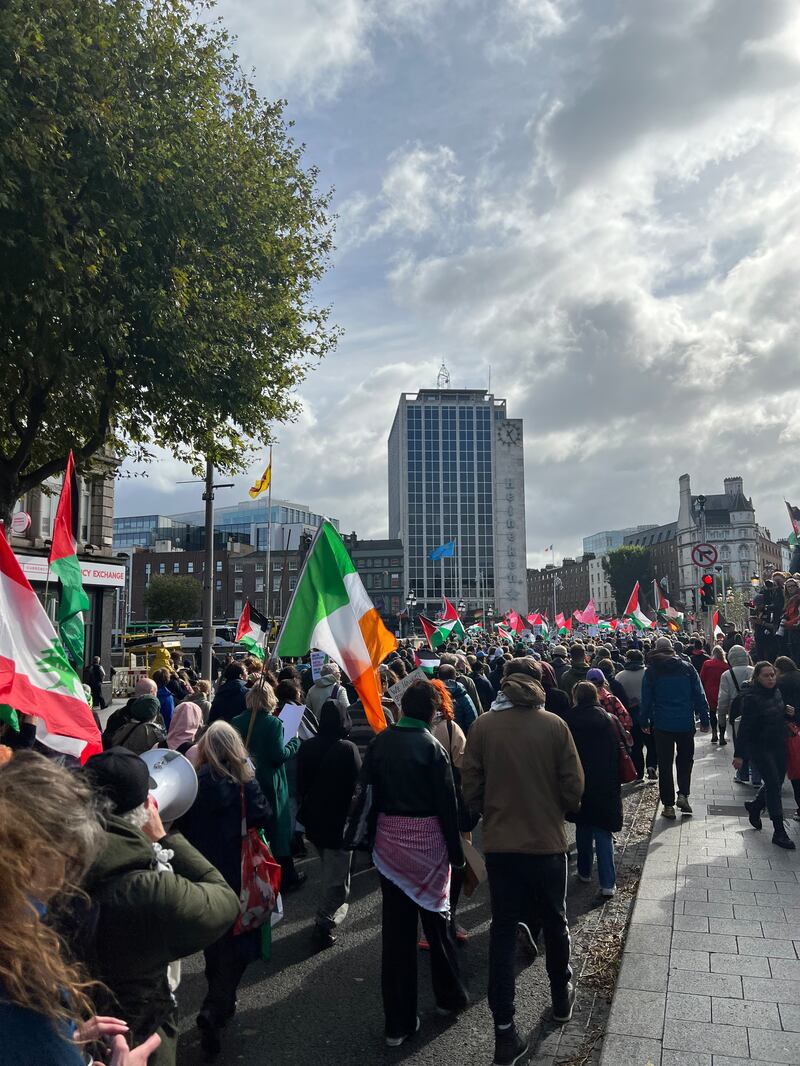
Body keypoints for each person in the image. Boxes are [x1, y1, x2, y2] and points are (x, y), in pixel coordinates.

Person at [77, 748, 240, 1065]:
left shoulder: (43, 867)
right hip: (141, 1041)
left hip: (72, 1036)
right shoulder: (154, 890)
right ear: (144, 809)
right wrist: (166, 837)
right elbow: (224, 900)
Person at [0, 751, 163, 1066]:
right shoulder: (22, 985)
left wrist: (61, 1042)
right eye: (69, 861)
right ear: (34, 857)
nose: (65, 882)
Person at [462, 660, 584, 1065]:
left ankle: (504, 1032)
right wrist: (560, 809)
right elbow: (573, 782)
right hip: (547, 843)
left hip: (501, 846)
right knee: (556, 921)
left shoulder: (482, 726)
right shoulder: (555, 725)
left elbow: (471, 785)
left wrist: (489, 811)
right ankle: (561, 996)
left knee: (501, 933)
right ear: (537, 686)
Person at [346, 680, 468, 1049]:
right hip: (430, 847)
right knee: (437, 923)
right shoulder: (432, 747)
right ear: (431, 711)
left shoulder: (382, 742)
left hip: (389, 848)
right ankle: (449, 997)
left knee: (397, 936)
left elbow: (365, 790)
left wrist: (361, 838)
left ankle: (397, 1023)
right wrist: (457, 853)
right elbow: (448, 805)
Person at [176, 722, 272, 1055]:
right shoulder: (246, 783)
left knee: (215, 941)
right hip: (239, 870)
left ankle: (219, 1000)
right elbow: (264, 816)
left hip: (203, 870)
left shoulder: (194, 784)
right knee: (240, 940)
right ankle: (216, 1006)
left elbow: (181, 825)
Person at [296, 699, 361, 950]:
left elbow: (301, 785)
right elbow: (358, 786)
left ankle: (326, 916)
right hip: (339, 821)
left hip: (313, 820)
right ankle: (323, 923)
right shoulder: (347, 748)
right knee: (338, 881)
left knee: (330, 868)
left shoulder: (308, 746)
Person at [233, 682, 305, 890]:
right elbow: (278, 755)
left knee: (255, 825)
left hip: (247, 778)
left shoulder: (236, 721)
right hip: (270, 780)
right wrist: (294, 743)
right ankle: (286, 876)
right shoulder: (272, 723)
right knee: (278, 827)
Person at [563, 682, 624, 899]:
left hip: (579, 780)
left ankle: (584, 870)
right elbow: (623, 747)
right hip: (605, 780)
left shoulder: (567, 720)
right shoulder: (608, 719)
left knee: (583, 825)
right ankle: (608, 882)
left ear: (576, 697)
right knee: (603, 831)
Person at [640, 637, 710, 820]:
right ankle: (683, 795)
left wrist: (644, 721)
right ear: (672, 650)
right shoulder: (687, 668)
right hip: (685, 722)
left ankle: (668, 805)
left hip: (662, 723)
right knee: (686, 760)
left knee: (664, 764)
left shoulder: (652, 671)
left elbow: (646, 699)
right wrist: (704, 719)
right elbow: (699, 694)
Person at [734, 661, 796, 850]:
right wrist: (739, 755)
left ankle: (755, 806)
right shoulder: (752, 698)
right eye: (766, 675)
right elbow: (744, 727)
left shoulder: (777, 692)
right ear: (757, 678)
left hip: (778, 744)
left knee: (776, 782)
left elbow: (778, 717)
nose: (770, 678)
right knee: (773, 785)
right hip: (760, 747)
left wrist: (789, 714)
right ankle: (779, 830)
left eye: (772, 675)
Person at [614, 649, 655, 781]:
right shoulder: (648, 673)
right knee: (651, 743)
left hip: (630, 716)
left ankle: (639, 773)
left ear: (628, 660)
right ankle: (652, 766)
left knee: (636, 745)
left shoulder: (620, 676)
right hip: (650, 713)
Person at [717, 645, 755, 776]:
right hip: (753, 708)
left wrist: (721, 719)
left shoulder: (727, 674)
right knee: (753, 740)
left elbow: (723, 698)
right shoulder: (753, 670)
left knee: (738, 739)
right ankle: (755, 773)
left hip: (735, 709)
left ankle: (742, 772)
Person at [102, 679, 166, 755]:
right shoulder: (155, 716)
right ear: (152, 691)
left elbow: (106, 740)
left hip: (118, 759)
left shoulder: (118, 714)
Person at [437, 663, 478, 735]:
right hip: (460, 736)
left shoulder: (433, 694)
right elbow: (472, 719)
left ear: (438, 676)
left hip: (437, 736)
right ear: (455, 677)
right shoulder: (462, 695)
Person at [699, 647, 729, 744]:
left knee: (712, 713)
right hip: (722, 691)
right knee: (722, 714)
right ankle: (722, 736)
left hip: (709, 691)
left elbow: (702, 678)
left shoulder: (707, 664)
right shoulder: (726, 666)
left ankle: (714, 732)